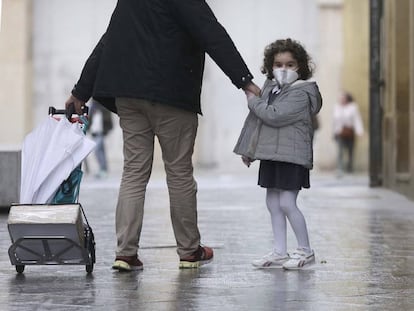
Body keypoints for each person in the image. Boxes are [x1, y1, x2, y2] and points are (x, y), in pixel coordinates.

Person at [65, 0, 261, 271]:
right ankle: (189, 250)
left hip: (130, 95)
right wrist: (245, 81)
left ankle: (125, 253)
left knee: (133, 172)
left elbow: (108, 41)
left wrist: (80, 91)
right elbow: (210, 32)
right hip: (172, 95)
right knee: (179, 172)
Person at [234, 38, 322, 270]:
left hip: (292, 156)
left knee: (287, 202)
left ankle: (305, 250)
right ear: (270, 66)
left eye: (290, 64)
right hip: (272, 155)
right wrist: (250, 151)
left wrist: (253, 101)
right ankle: (279, 251)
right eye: (278, 64)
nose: (283, 69)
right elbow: (258, 124)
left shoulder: (301, 93)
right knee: (273, 202)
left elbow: (273, 115)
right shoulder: (271, 89)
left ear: (300, 67)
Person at [333, 91, 364, 175]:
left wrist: (360, 132)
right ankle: (340, 167)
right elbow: (335, 121)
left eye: (343, 98)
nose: (341, 99)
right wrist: (334, 132)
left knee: (351, 150)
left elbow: (357, 120)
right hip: (340, 132)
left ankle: (350, 167)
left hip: (350, 132)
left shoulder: (353, 107)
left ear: (347, 99)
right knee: (340, 150)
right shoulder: (337, 107)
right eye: (340, 98)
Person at [88, 100, 113, 179]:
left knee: (98, 150)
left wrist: (107, 130)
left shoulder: (104, 108)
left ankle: (103, 169)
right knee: (101, 150)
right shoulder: (92, 108)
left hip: (101, 132)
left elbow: (108, 120)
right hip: (94, 132)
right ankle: (103, 169)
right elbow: (89, 119)